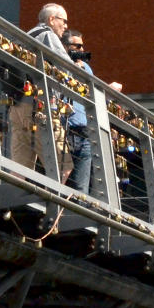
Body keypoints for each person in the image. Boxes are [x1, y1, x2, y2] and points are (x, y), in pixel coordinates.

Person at [8, 3, 73, 180]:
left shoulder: (26, 36)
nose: (66, 26)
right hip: (40, 109)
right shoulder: (47, 35)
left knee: (20, 169)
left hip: (18, 106)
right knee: (63, 165)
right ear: (51, 19)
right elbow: (67, 67)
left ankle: (13, 205)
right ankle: (51, 206)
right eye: (64, 21)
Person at [61, 29, 93, 193]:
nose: (81, 50)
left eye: (82, 46)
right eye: (77, 46)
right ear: (65, 46)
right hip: (64, 127)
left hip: (84, 129)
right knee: (62, 172)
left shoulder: (85, 67)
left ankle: (81, 210)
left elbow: (91, 92)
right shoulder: (59, 61)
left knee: (81, 185)